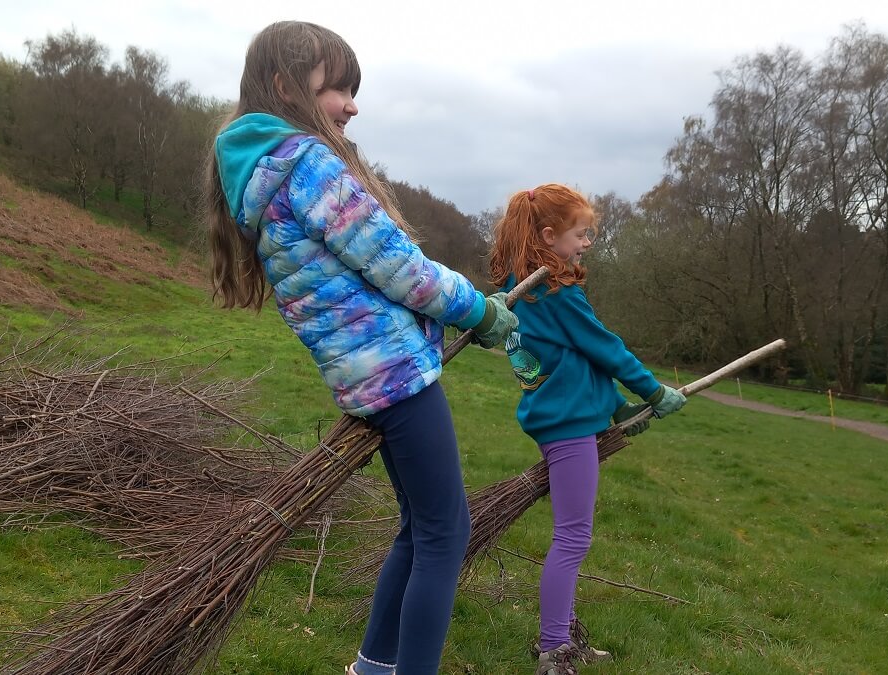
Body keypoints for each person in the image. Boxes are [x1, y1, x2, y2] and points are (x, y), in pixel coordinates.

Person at [205, 21, 519, 675]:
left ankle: (372, 667)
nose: (352, 104)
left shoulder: (261, 174)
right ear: (285, 86)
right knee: (445, 533)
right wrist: (478, 309)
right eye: (337, 88)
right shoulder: (306, 164)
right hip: (395, 374)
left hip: (362, 376)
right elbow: (399, 267)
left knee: (419, 526)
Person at [488, 184, 687, 675]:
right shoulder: (555, 292)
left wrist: (616, 406)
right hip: (567, 425)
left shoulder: (527, 287)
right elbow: (603, 346)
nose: (587, 242)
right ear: (551, 235)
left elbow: (570, 359)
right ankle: (554, 650)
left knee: (572, 535)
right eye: (582, 234)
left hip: (566, 414)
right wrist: (652, 391)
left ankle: (564, 639)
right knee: (573, 537)